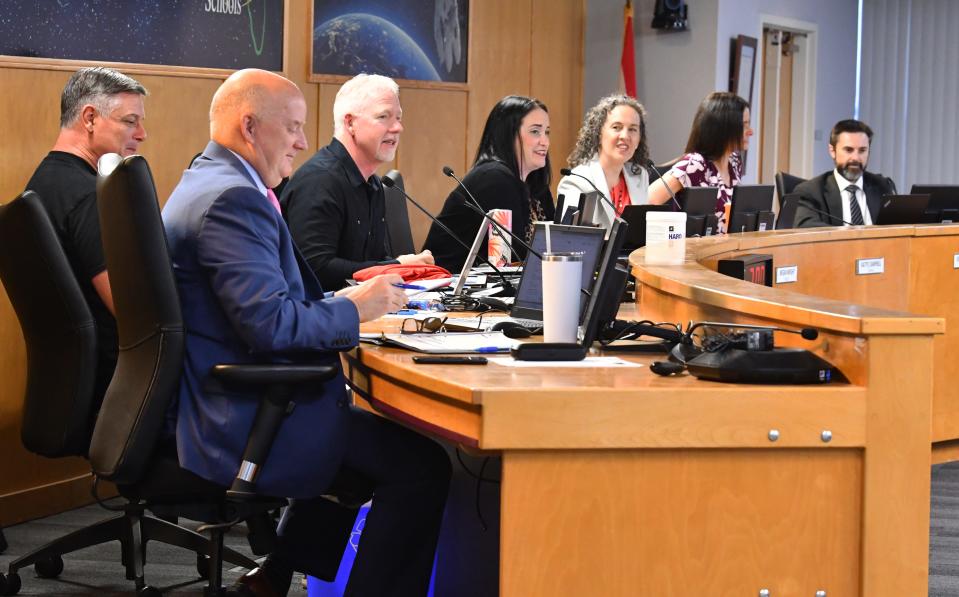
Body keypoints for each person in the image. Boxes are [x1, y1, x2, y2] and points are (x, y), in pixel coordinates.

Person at [162, 69, 450, 597]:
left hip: (234, 397)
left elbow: (268, 306)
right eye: (293, 127)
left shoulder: (211, 178)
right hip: (239, 416)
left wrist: (339, 303)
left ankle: (271, 578)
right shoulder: (232, 199)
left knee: (367, 456)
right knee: (422, 465)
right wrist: (354, 311)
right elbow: (271, 325)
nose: (301, 141)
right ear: (250, 126)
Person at [24, 66, 147, 412]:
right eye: (130, 121)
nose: (143, 133)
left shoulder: (43, 182)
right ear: (90, 118)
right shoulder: (90, 197)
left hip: (70, 382)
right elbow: (135, 314)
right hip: (113, 387)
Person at [280, 74, 433, 291]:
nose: (397, 128)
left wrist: (405, 267)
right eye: (384, 117)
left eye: (398, 118)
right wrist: (396, 266)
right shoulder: (319, 181)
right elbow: (315, 269)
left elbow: (374, 258)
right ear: (350, 123)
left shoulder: (374, 183)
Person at [422, 95, 555, 272]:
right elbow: (510, 257)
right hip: (448, 285)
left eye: (547, 132)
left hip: (490, 287)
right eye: (535, 131)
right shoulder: (494, 179)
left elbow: (553, 245)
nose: (544, 141)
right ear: (509, 134)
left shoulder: (535, 183)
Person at [647, 91, 753, 233]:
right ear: (725, 127)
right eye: (744, 125)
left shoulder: (734, 161)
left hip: (728, 250)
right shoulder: (694, 164)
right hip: (696, 252)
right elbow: (649, 199)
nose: (750, 131)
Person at [556, 94, 651, 230]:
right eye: (616, 127)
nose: (625, 136)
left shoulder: (640, 175)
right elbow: (571, 239)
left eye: (632, 129)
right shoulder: (577, 181)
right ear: (598, 134)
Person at [793, 119, 896, 228]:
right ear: (832, 151)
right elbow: (804, 227)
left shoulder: (883, 186)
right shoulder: (811, 191)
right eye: (848, 150)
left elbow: (900, 226)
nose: (856, 158)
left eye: (862, 150)